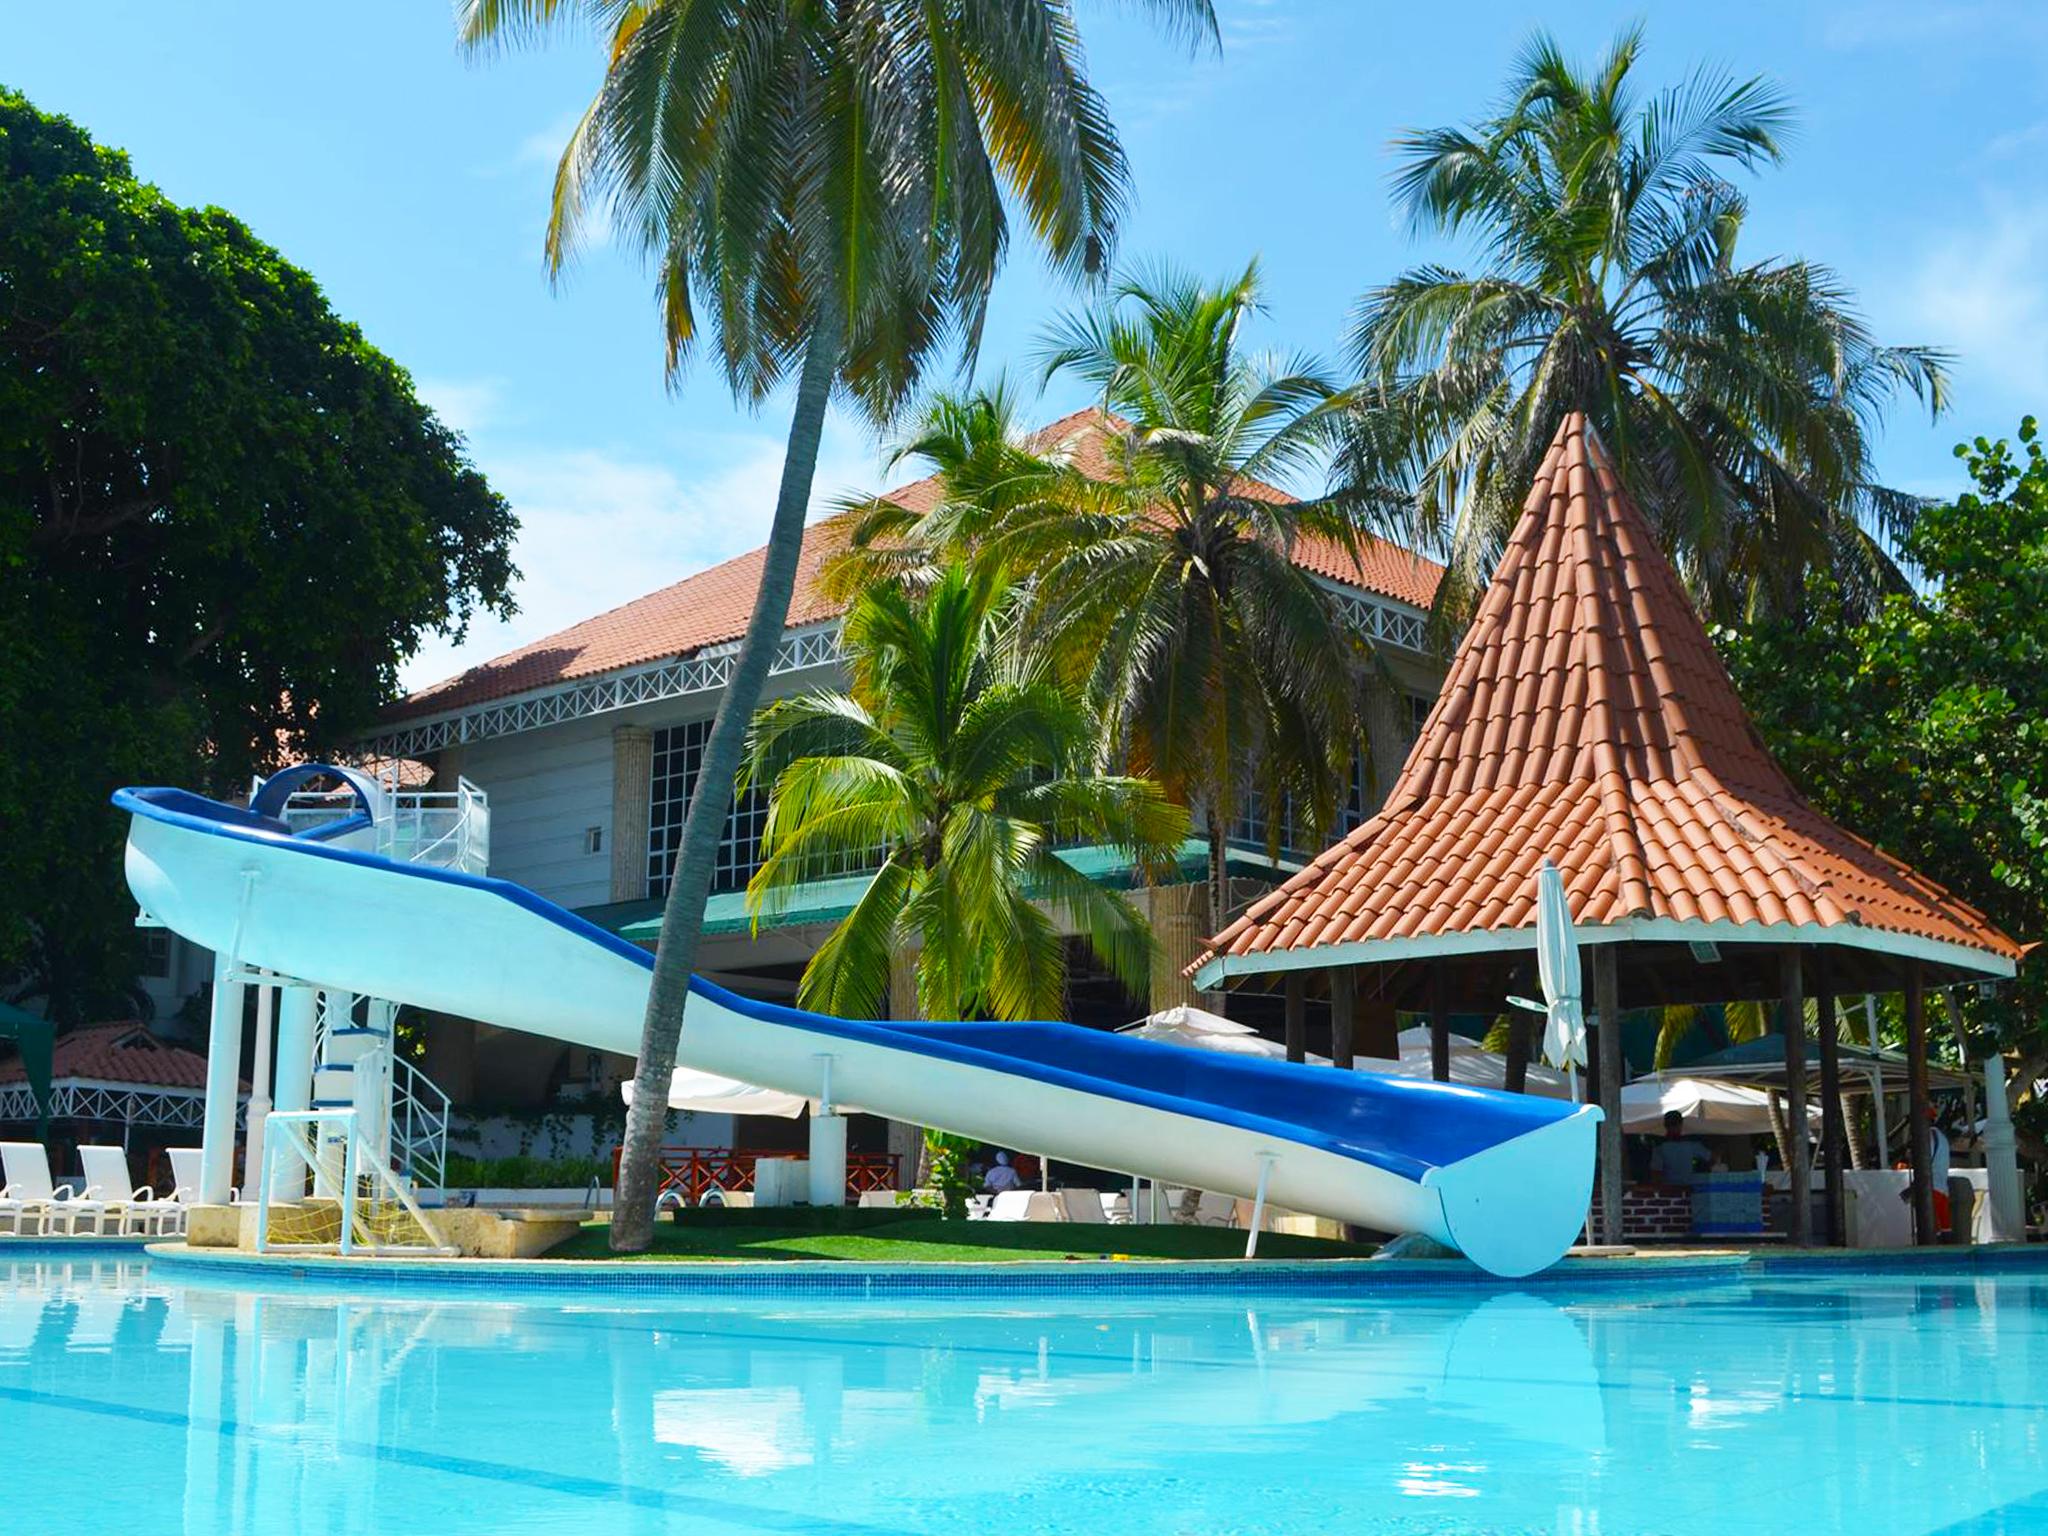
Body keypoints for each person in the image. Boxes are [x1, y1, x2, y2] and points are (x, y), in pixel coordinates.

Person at [1649, 1110, 1712, 1187]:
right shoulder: (1691, 1145)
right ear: (1681, 1125)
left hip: (1672, 1191)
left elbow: (1655, 1174)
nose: (1674, 1128)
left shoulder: (1660, 1147)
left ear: (1665, 1126)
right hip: (1686, 1190)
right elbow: (1710, 1157)